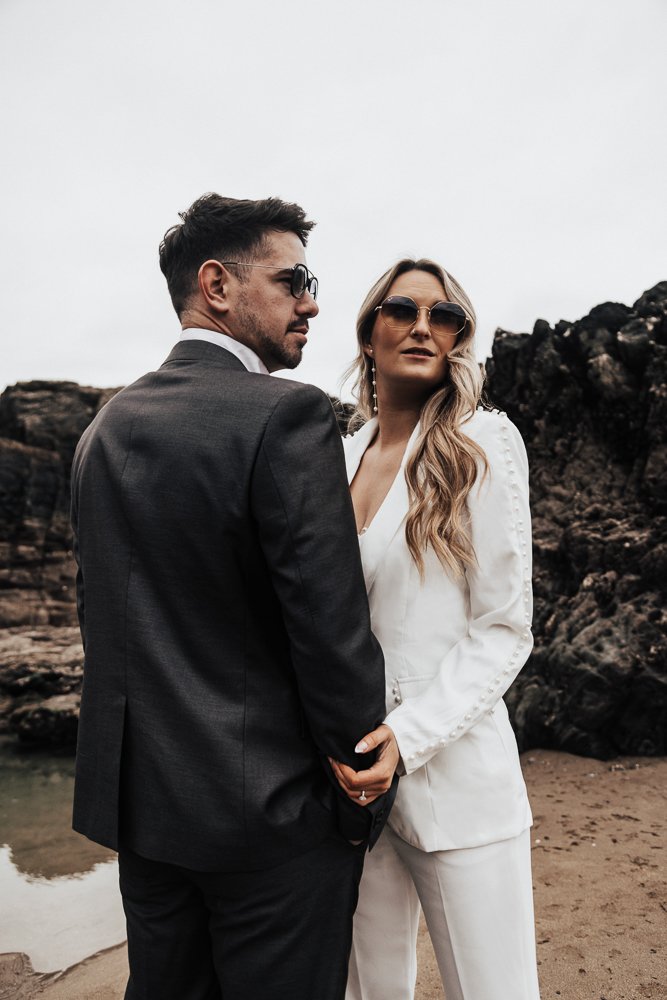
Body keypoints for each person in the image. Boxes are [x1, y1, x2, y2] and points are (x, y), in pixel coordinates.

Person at [70, 193, 397, 1000]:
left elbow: (107, 624)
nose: (313, 302)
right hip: (271, 824)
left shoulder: (103, 430)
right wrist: (356, 798)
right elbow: (328, 629)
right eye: (293, 281)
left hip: (145, 821)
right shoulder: (285, 416)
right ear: (216, 286)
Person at [329, 258, 541, 999]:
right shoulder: (337, 456)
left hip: (455, 782)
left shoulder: (483, 441)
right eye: (400, 309)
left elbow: (504, 628)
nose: (423, 325)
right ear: (366, 333)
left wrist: (408, 738)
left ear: (457, 338)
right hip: (347, 788)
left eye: (442, 315)